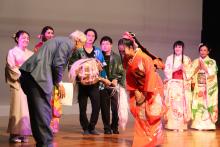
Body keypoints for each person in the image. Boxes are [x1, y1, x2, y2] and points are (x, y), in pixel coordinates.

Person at [19, 31, 78, 147]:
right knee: (43, 112)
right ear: (77, 41)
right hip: (38, 77)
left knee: (37, 113)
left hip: (30, 76)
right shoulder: (69, 43)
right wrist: (59, 82)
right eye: (82, 44)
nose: (81, 48)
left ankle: (42, 142)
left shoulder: (60, 41)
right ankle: (46, 143)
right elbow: (58, 63)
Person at [118, 32, 166, 147]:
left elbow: (150, 76)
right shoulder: (127, 60)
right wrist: (135, 91)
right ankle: (143, 141)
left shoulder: (144, 58)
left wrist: (144, 93)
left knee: (152, 114)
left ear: (131, 47)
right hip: (139, 88)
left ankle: (155, 140)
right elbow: (129, 77)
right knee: (141, 114)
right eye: (120, 51)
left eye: (123, 51)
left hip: (152, 87)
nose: (122, 53)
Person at [68, 28, 107, 135]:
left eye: (93, 36)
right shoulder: (78, 49)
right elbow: (71, 65)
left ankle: (92, 127)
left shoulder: (98, 51)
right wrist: (76, 76)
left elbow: (102, 66)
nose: (90, 38)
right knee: (82, 106)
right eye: (88, 35)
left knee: (96, 105)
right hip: (82, 83)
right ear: (84, 37)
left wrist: (99, 68)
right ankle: (85, 128)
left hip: (94, 83)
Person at [5, 30, 33, 143]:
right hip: (18, 82)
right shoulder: (12, 52)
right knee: (17, 107)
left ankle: (24, 133)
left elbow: (34, 67)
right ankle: (14, 133)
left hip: (28, 84)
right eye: (23, 37)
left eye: (27, 38)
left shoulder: (31, 53)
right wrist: (23, 75)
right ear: (17, 39)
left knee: (27, 109)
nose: (26, 40)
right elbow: (11, 66)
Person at [164, 40, 192, 131]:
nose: (177, 48)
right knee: (172, 104)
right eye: (176, 47)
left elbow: (190, 73)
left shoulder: (187, 59)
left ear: (183, 48)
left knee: (181, 104)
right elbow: (166, 71)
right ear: (173, 48)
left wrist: (184, 70)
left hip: (182, 85)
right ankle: (172, 125)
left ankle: (181, 126)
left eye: (179, 47)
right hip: (173, 84)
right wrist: (177, 68)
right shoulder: (169, 58)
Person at [99, 36, 125, 134]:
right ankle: (107, 128)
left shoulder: (117, 57)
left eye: (107, 44)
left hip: (114, 85)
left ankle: (115, 126)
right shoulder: (98, 57)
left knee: (115, 108)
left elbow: (121, 72)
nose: (105, 46)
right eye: (103, 44)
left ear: (111, 45)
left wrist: (116, 80)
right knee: (105, 108)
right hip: (102, 84)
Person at [190, 43, 218, 130]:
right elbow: (191, 74)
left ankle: (208, 125)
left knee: (206, 103)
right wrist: (198, 67)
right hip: (198, 86)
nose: (202, 52)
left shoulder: (212, 61)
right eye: (201, 50)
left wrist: (205, 68)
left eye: (205, 50)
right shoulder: (195, 61)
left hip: (208, 86)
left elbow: (213, 74)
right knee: (198, 104)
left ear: (208, 51)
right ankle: (197, 125)